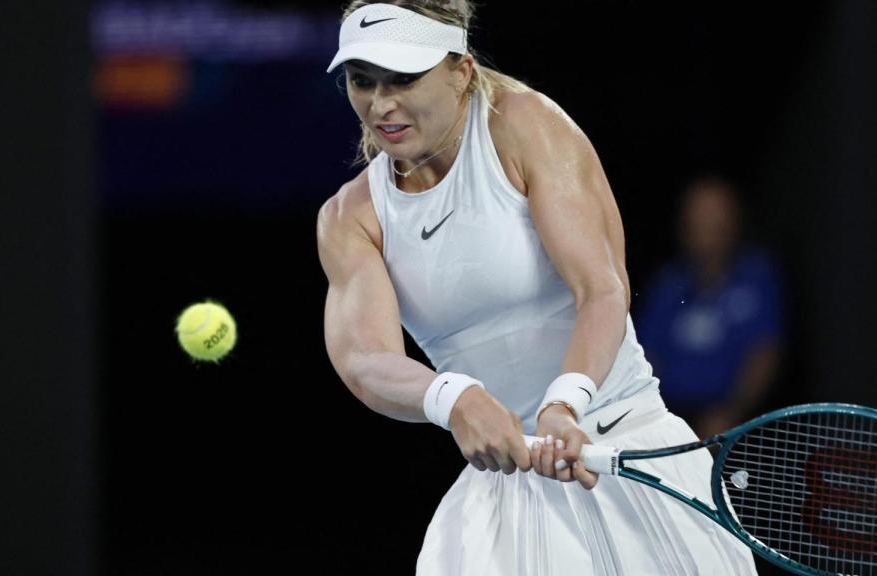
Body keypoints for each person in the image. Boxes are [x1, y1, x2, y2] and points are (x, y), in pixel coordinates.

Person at [317, 2, 757, 574]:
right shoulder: (349, 216)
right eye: (362, 81)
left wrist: (564, 402)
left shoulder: (525, 125)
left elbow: (601, 288)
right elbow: (364, 359)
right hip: (504, 487)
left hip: (627, 447)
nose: (381, 104)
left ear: (461, 70)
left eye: (403, 78)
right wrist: (454, 398)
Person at [636, 176, 783, 439]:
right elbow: (647, 356)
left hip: (737, 421)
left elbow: (764, 353)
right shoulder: (668, 283)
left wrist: (732, 412)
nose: (707, 227)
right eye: (698, 218)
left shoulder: (757, 275)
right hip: (668, 418)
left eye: (716, 219)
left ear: (734, 221)